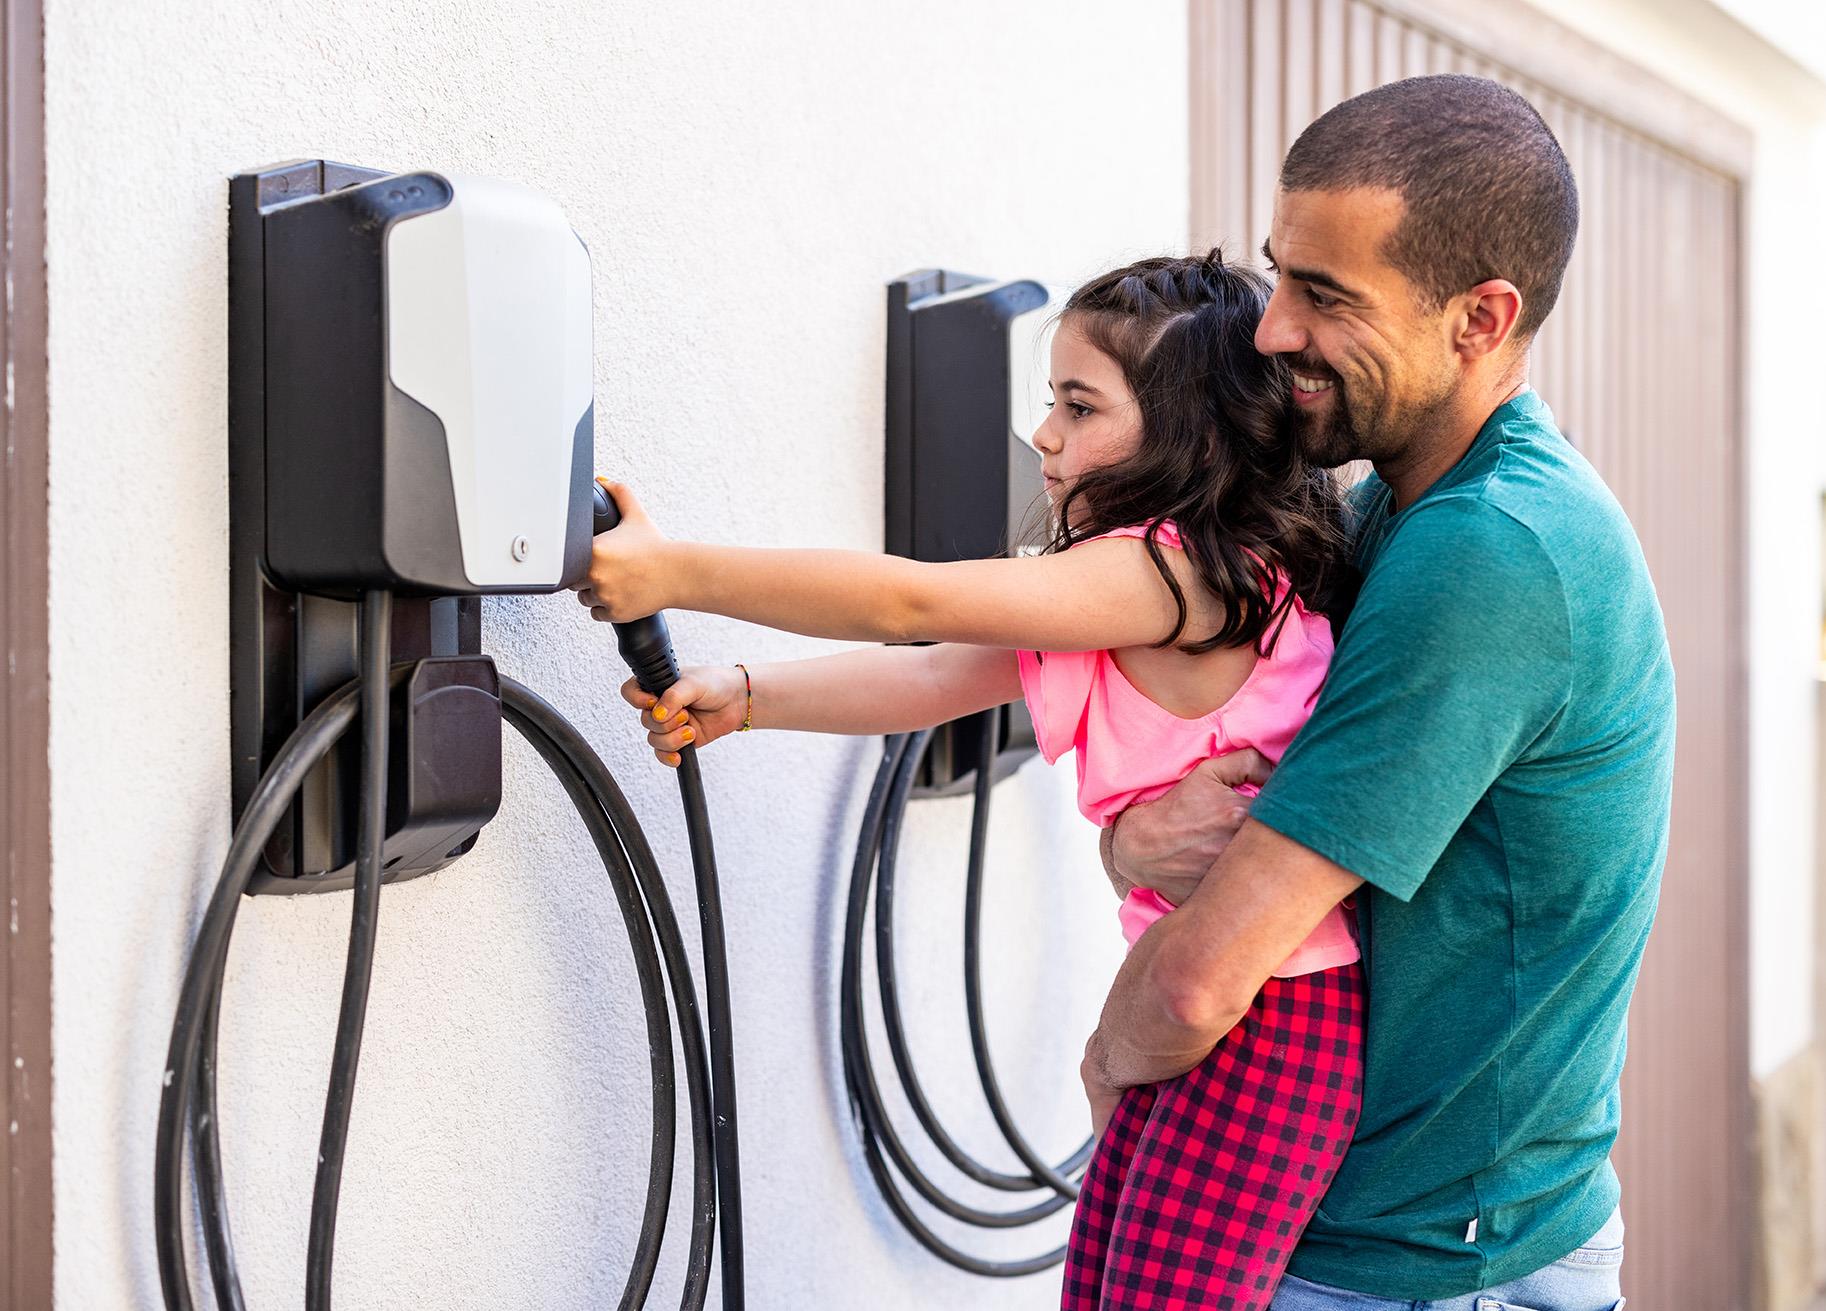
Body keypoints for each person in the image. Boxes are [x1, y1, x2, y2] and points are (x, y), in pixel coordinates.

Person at [578, 251, 1368, 1309]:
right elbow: (947, 674)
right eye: (1051, 401)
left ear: (1192, 431)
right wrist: (751, 695)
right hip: (1224, 1006)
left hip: (1265, 1021)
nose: (1044, 435)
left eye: (1079, 406)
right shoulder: (1158, 585)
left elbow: (915, 606)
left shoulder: (1174, 573)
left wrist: (676, 572)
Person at [1084, 76, 1670, 1311]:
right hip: (1413, 1241)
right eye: (1281, 276)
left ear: (1479, 317)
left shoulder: (1492, 553)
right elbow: (1220, 821)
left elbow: (1201, 978)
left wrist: (1105, 1062)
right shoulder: (1384, 516)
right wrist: (1136, 838)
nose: (1270, 331)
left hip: (1423, 1265)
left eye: (1327, 297)